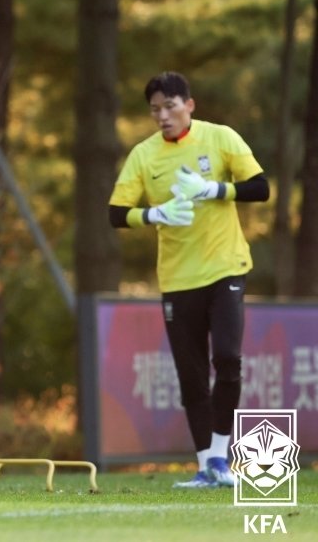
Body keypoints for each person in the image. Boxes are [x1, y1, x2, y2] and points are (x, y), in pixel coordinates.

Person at [108, 71, 270, 488]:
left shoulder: (221, 138)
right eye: (155, 110)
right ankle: (205, 466)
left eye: (170, 106)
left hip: (226, 268)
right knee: (191, 375)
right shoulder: (144, 156)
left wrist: (215, 190)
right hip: (178, 280)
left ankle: (220, 458)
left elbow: (260, 188)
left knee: (229, 360)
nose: (162, 116)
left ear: (189, 105)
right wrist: (152, 215)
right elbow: (115, 213)